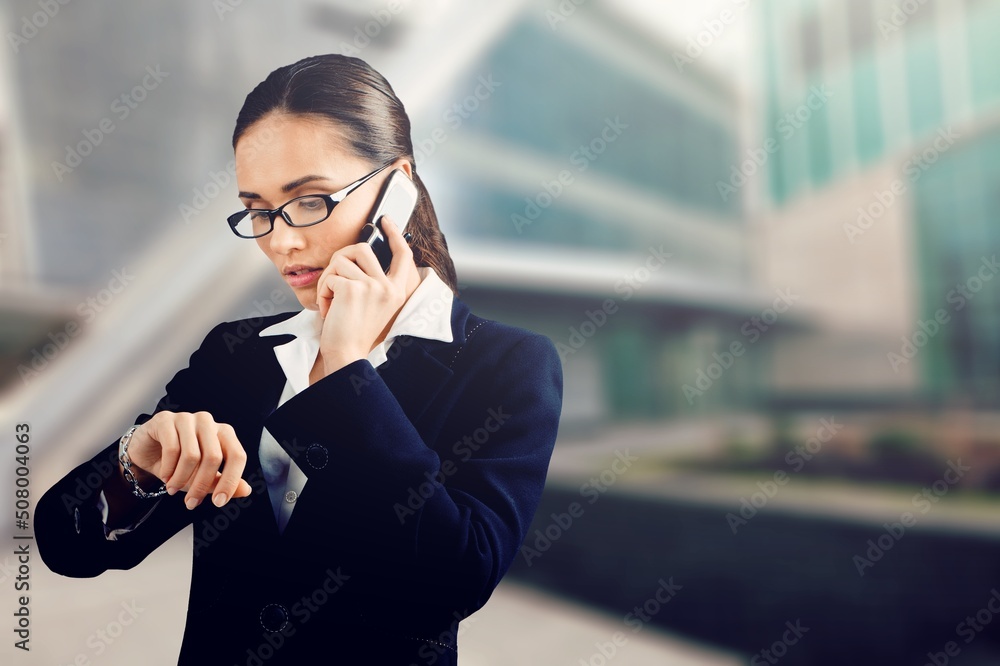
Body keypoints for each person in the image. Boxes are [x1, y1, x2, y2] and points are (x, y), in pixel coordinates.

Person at [36, 54, 563, 665]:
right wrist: (138, 466)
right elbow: (65, 543)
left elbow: (450, 583)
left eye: (310, 200)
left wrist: (345, 373)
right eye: (257, 211)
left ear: (399, 186)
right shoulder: (235, 355)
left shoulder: (506, 365)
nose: (281, 240)